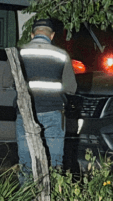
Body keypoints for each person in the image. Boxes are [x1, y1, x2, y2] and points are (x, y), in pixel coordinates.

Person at [16, 18, 77, 180]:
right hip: (54, 112)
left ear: (32, 34)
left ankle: (26, 199)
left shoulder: (19, 53)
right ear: (52, 35)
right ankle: (54, 197)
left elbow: (6, 82)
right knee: (55, 160)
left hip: (26, 113)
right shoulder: (61, 55)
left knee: (26, 160)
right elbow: (72, 88)